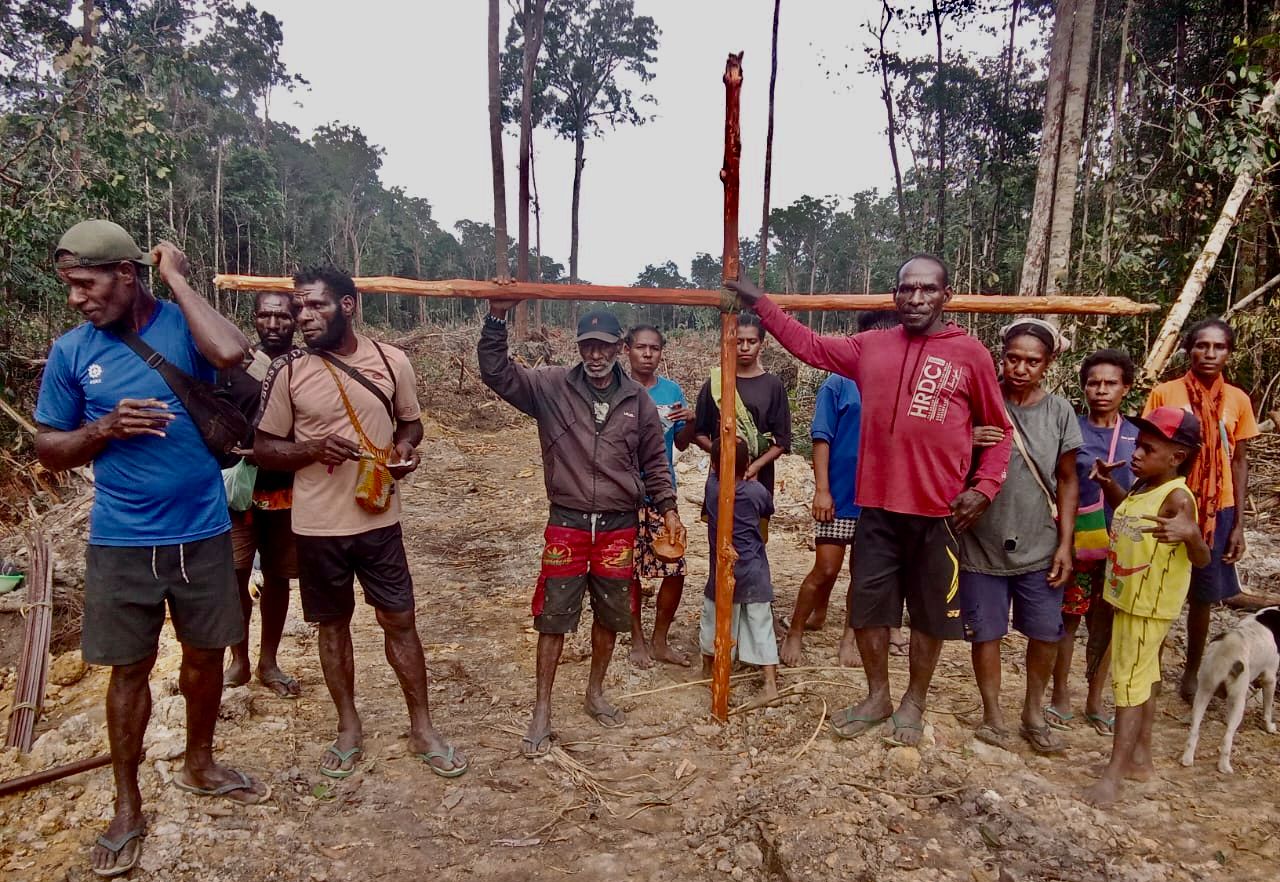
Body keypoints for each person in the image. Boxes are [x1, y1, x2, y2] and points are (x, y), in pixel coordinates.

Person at [34, 221, 264, 878]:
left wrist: (178, 279)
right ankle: (128, 804)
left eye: (85, 284)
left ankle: (200, 762)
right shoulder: (72, 353)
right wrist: (105, 428)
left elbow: (230, 351)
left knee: (204, 657)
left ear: (125, 275)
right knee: (128, 672)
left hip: (202, 530)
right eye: (69, 287)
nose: (76, 299)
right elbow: (49, 450)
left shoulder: (179, 327)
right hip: (121, 540)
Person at [727, 255, 1011, 748]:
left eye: (927, 289)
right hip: (875, 508)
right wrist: (761, 304)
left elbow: (1000, 432)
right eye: (906, 289)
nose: (916, 298)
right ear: (894, 294)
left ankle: (914, 702)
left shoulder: (970, 354)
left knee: (927, 617)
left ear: (947, 295)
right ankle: (877, 696)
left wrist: (984, 488)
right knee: (868, 609)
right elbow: (811, 346)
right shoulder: (871, 347)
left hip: (939, 514)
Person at [254, 267, 466, 780]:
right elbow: (263, 447)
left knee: (401, 621)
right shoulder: (286, 372)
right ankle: (348, 727)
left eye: (316, 307)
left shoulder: (393, 363)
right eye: (299, 307)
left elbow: (410, 423)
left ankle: (422, 727)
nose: (303, 317)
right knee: (333, 626)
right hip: (317, 525)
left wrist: (407, 449)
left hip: (379, 520)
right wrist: (310, 448)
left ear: (347, 306)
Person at [479, 302, 686, 757]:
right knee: (553, 618)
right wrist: (496, 320)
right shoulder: (549, 386)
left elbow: (654, 461)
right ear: (578, 348)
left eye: (604, 347)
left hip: (618, 527)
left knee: (611, 615)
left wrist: (668, 508)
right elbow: (496, 373)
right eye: (587, 346)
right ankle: (542, 710)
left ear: (618, 348)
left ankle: (594, 693)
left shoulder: (637, 400)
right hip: (568, 524)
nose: (595, 355)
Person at [960, 320, 1080, 755]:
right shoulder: (979, 402)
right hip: (980, 541)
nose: (1021, 368)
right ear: (1002, 355)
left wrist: (1066, 544)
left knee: (1046, 632)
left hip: (1040, 542)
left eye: (1033, 361)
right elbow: (940, 451)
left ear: (1048, 364)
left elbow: (1068, 481)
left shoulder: (1060, 412)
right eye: (1014, 358)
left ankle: (1033, 712)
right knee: (985, 632)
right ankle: (992, 715)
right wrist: (965, 436)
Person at [1083, 407, 1210, 806]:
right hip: (1131, 598)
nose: (1136, 453)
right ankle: (1141, 759)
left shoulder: (1176, 497)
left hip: (1147, 606)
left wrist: (1191, 535)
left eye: (1148, 448)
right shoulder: (1144, 487)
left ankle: (1114, 775)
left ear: (1177, 457)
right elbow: (1137, 520)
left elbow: (1202, 557)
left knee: (1127, 685)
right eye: (1138, 444)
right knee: (1144, 679)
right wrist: (1109, 487)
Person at [1144, 319, 1260, 703]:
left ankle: (1192, 671)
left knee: (1203, 596)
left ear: (1229, 352)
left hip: (1218, 508)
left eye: (1219, 347)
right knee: (1157, 589)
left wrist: (1239, 524)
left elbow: (1239, 460)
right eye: (1202, 346)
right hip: (1171, 502)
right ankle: (1150, 670)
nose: (1210, 354)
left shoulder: (1238, 400)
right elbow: (1146, 450)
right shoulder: (1165, 393)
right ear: (1189, 350)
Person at [778, 310, 902, 669]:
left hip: (880, 497)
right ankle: (797, 630)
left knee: (864, 575)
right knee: (826, 569)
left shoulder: (899, 384)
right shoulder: (838, 383)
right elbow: (822, 438)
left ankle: (850, 638)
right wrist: (822, 490)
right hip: (841, 493)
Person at [1047, 349, 1139, 735]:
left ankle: (1096, 699)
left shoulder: (1137, 434)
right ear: (1084, 387)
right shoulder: (1072, 428)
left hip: (1123, 545)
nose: (1101, 390)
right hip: (1078, 543)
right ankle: (1060, 695)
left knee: (1106, 624)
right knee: (1067, 620)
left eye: (1110, 383)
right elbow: (1058, 480)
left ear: (1126, 388)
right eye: (1093, 383)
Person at [220, 291, 303, 697]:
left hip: (288, 490)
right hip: (239, 492)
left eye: (282, 316)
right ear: (253, 318)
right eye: (265, 316)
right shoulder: (232, 366)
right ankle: (239, 659)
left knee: (278, 577)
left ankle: (269, 661)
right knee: (235, 574)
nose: (273, 324)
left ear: (295, 319)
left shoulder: (306, 366)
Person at [623, 324, 697, 668]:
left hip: (661, 491)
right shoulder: (616, 388)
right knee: (627, 570)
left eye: (654, 348)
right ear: (627, 350)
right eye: (641, 348)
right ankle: (636, 639)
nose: (648, 354)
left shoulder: (671, 391)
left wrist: (691, 421)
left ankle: (660, 640)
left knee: (675, 566)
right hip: (621, 493)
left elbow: (681, 442)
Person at [693, 313, 792, 542]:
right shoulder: (716, 383)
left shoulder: (773, 386)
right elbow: (700, 433)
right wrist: (726, 457)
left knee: (753, 545)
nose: (745, 347)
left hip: (759, 478)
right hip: (721, 476)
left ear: (762, 344)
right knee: (719, 545)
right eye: (738, 342)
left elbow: (782, 440)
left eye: (751, 341)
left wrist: (753, 466)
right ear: (729, 342)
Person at [701, 435, 780, 701]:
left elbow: (718, 473)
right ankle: (770, 682)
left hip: (721, 571)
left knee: (713, 620)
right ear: (747, 463)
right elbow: (767, 509)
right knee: (760, 625)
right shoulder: (757, 492)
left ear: (713, 465)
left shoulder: (712, 489)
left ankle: (707, 668)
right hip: (754, 570)